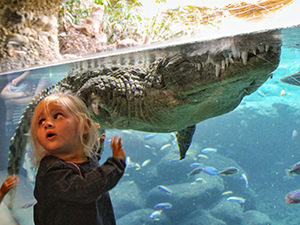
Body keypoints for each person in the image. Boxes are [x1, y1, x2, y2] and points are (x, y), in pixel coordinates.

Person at [30, 92, 126, 225]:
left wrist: (94, 150)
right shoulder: (52, 172)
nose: (47, 124)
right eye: (41, 122)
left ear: (84, 126)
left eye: (57, 116)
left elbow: (86, 167)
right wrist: (116, 165)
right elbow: (84, 189)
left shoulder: (82, 157)